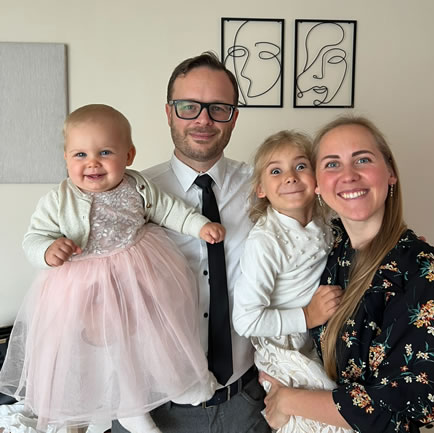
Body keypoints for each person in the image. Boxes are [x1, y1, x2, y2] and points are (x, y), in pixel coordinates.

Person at [0, 104, 225, 433]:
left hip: (137, 273)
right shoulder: (57, 199)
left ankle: (180, 380)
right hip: (86, 285)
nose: (92, 162)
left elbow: (169, 210)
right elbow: (33, 237)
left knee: (160, 329)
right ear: (66, 158)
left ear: (129, 155)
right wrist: (48, 250)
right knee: (107, 347)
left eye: (105, 152)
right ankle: (128, 407)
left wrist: (200, 226)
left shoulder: (138, 186)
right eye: (80, 154)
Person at [261, 116, 434, 433]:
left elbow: (397, 410)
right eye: (332, 164)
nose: (348, 175)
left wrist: (288, 401)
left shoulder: (423, 272)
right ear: (317, 184)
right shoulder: (325, 248)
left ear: (390, 173)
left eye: (362, 159)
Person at [125, 52, 271, 433]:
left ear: (234, 117)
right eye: (189, 106)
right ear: (169, 112)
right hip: (154, 409)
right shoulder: (131, 195)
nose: (203, 120)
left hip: (246, 404)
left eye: (218, 108)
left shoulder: (265, 188)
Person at [232, 130, 351, 433]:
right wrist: (307, 315)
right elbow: (245, 320)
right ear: (260, 189)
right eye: (276, 171)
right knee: (327, 421)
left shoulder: (327, 223)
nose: (290, 177)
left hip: (314, 341)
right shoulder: (266, 241)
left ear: (317, 178)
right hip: (281, 346)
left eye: (300, 166)